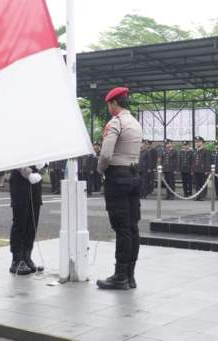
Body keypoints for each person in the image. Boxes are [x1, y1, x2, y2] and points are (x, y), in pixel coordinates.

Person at [96, 87, 143, 291]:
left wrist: (100, 170)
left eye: (109, 105)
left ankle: (120, 276)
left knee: (122, 228)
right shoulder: (134, 122)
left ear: (114, 103)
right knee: (132, 228)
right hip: (133, 175)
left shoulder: (116, 122)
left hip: (118, 177)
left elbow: (106, 155)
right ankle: (130, 276)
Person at [8, 165, 43, 275]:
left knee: (32, 222)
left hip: (35, 180)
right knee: (20, 221)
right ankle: (17, 260)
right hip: (20, 179)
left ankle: (27, 257)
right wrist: (28, 173)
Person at [192, 137, 211, 201]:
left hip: (203, 170)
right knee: (197, 184)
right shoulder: (195, 151)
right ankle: (198, 195)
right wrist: (192, 169)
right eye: (196, 142)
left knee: (203, 183)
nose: (197, 143)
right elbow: (193, 161)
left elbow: (207, 161)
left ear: (202, 143)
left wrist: (207, 170)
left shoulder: (206, 151)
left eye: (199, 142)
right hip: (196, 169)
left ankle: (203, 196)